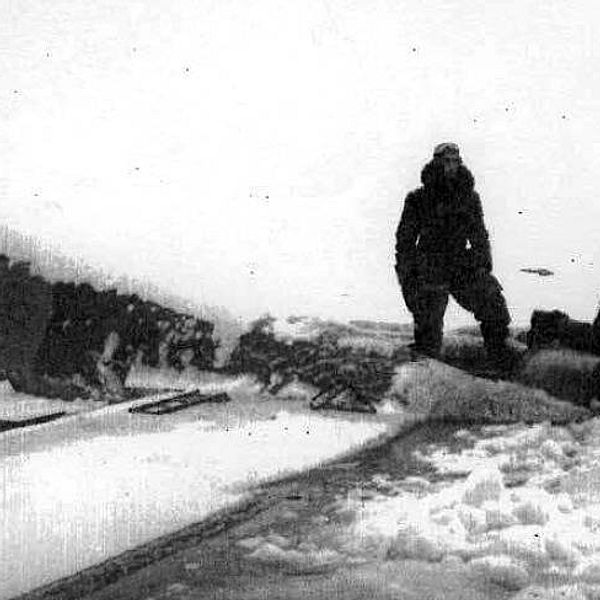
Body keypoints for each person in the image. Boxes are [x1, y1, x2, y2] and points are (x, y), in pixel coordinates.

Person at [395, 142, 513, 366]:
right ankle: (426, 364)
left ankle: (499, 358)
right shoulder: (418, 199)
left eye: (456, 161)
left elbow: (479, 235)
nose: (452, 166)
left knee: (493, 302)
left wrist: (483, 266)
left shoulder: (469, 198)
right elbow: (405, 242)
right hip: (429, 267)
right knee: (429, 326)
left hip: (460, 264)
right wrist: (407, 278)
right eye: (447, 161)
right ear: (436, 163)